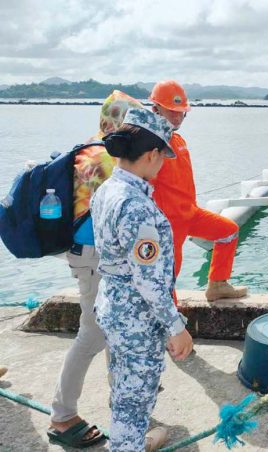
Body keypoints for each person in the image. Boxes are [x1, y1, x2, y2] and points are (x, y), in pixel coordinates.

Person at [48, 91, 146, 449]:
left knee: (109, 328)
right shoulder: (109, 158)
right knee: (91, 333)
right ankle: (62, 416)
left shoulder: (88, 147)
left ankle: (120, 397)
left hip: (89, 253)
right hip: (94, 257)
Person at [91, 108, 193, 451]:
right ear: (151, 155)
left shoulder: (106, 189)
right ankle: (126, 445)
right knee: (136, 403)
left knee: (124, 393)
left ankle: (125, 442)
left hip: (113, 307)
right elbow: (148, 280)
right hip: (136, 318)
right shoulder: (136, 206)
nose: (163, 164)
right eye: (162, 157)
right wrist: (176, 327)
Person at [149, 80, 247, 302]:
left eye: (182, 113)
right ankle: (171, 329)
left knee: (228, 231)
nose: (177, 117)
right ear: (155, 109)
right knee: (168, 276)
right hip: (169, 223)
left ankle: (218, 285)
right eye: (172, 111)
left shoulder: (178, 139)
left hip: (190, 213)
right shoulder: (150, 144)